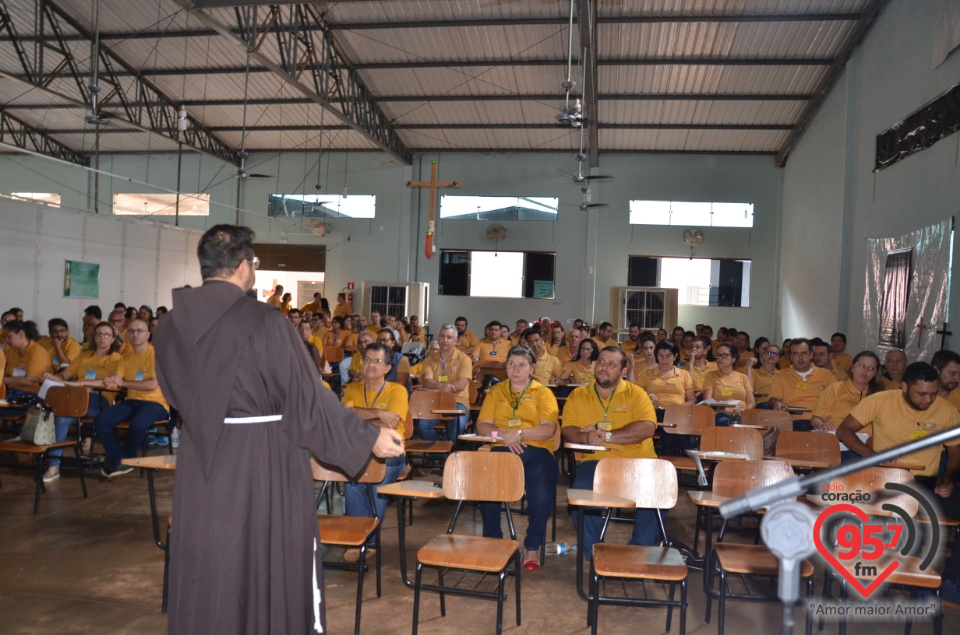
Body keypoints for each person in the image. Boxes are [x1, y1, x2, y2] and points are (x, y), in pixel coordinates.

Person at [152, 224, 402, 635]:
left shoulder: (169, 326)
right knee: (265, 553)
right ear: (244, 267)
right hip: (262, 458)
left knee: (212, 554)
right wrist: (368, 437)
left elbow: (176, 393)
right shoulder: (264, 320)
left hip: (202, 458)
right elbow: (305, 397)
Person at [836, 361, 960, 603]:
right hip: (890, 478)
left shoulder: (946, 410)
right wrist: (872, 457)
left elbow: (955, 453)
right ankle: (910, 575)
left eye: (933, 394)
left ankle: (950, 580)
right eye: (921, 394)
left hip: (928, 481)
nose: (928, 400)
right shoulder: (881, 401)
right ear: (904, 387)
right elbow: (844, 430)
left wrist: (950, 478)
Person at [562, 346, 658, 560]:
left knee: (658, 490)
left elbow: (647, 428)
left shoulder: (636, 393)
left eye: (612, 364)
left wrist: (606, 435)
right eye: (601, 362)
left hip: (638, 463)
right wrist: (585, 437)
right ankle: (593, 550)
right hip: (597, 463)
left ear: (624, 371)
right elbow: (568, 430)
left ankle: (639, 551)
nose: (604, 367)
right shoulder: (578, 395)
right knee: (580, 494)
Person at [476, 345, 559, 570]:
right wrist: (503, 435)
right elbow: (482, 425)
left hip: (537, 450)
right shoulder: (497, 391)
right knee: (488, 484)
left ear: (532, 368)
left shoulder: (543, 393)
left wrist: (520, 433)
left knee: (540, 491)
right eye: (511, 364)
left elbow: (548, 429)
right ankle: (493, 540)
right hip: (503, 448)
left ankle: (533, 545)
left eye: (522, 365)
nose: (515, 369)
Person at [340, 342, 409, 561]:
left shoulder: (397, 390)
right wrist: (378, 414)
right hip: (360, 449)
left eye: (377, 361)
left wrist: (358, 416)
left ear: (388, 367)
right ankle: (356, 538)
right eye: (367, 360)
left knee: (377, 481)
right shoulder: (352, 389)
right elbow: (343, 418)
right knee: (352, 480)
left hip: (391, 450)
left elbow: (392, 423)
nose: (371, 365)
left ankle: (368, 541)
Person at [42, 321, 123, 481]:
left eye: (107, 335)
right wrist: (54, 377)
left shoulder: (117, 358)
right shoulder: (85, 355)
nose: (102, 338)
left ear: (113, 339)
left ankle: (85, 440)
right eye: (99, 334)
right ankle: (53, 466)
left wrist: (81, 384)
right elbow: (65, 375)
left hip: (99, 399)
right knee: (61, 418)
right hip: (76, 397)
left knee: (70, 406)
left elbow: (112, 381)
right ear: (94, 337)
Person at [95, 319, 170, 478]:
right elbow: (118, 378)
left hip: (156, 404)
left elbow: (152, 385)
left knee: (138, 423)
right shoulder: (125, 356)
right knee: (102, 420)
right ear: (127, 335)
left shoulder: (155, 354)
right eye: (131, 331)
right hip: (132, 401)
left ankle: (123, 461)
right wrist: (113, 380)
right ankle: (121, 459)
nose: (135, 334)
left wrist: (122, 382)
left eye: (139, 331)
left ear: (148, 334)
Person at [418, 323, 472, 444]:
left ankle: (445, 453)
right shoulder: (429, 360)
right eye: (442, 336)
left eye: (449, 337)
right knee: (422, 427)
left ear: (456, 341)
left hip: (458, 403)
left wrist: (435, 385)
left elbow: (460, 385)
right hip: (436, 402)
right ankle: (441, 451)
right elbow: (426, 381)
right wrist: (442, 386)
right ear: (438, 338)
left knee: (456, 427)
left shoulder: (465, 359)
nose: (444, 340)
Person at [768, 338, 836, 430]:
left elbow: (838, 398)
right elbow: (773, 398)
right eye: (795, 354)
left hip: (821, 423)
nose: (800, 358)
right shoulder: (781, 375)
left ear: (811, 355)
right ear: (791, 357)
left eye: (803, 353)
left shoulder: (826, 375)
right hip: (793, 422)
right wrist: (777, 403)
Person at [810, 351, 880, 440]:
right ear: (852, 367)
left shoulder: (878, 395)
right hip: (838, 441)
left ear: (875, 374)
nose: (865, 371)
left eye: (870, 368)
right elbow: (816, 419)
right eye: (862, 366)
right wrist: (822, 425)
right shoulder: (835, 389)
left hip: (869, 444)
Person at [702, 342, 755, 425]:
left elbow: (751, 402)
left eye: (724, 355)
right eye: (718, 355)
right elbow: (708, 398)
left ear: (733, 359)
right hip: (721, 413)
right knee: (724, 420)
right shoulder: (711, 375)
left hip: (742, 413)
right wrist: (726, 410)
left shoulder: (743, 377)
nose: (720, 358)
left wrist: (743, 411)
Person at [635, 340, 695, 409]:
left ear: (675, 356)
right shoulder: (646, 373)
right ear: (656, 356)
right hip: (652, 411)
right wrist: (646, 395)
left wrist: (680, 409)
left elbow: (692, 399)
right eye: (661, 356)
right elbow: (635, 393)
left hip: (677, 413)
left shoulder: (684, 374)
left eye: (668, 356)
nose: (664, 360)